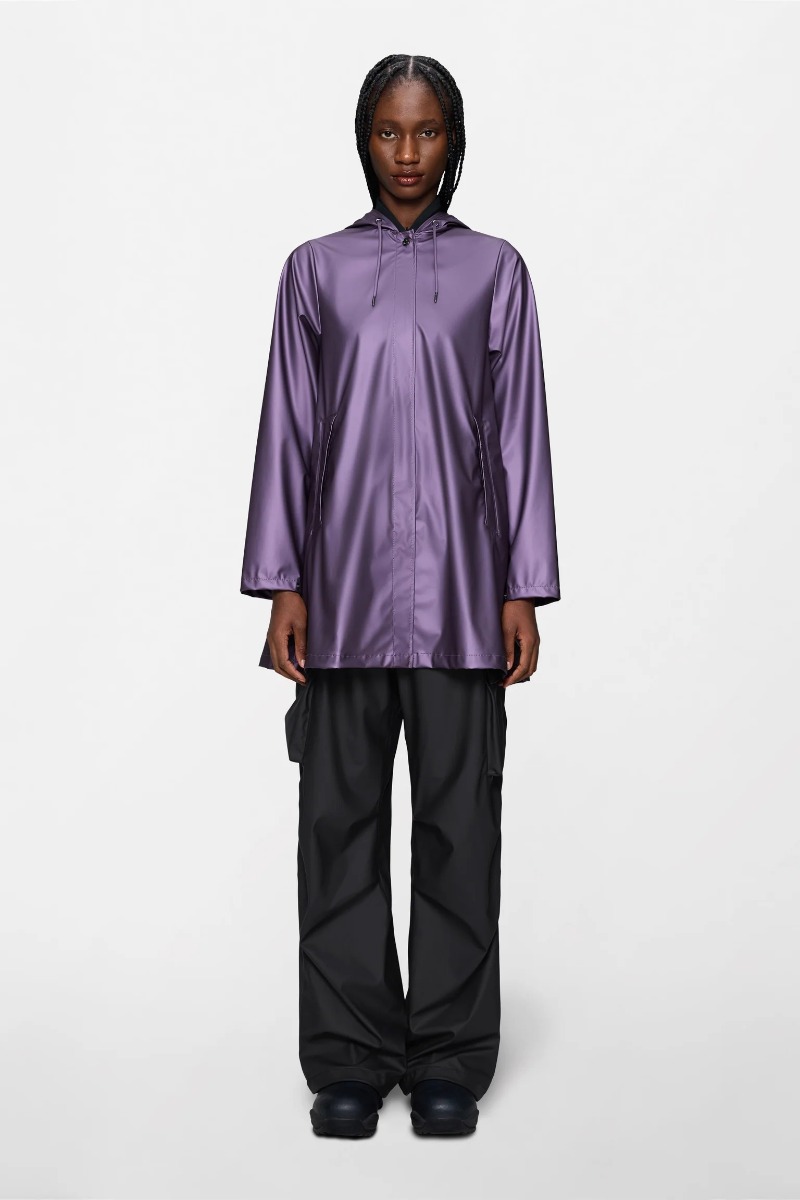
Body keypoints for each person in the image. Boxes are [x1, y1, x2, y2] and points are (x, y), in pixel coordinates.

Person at [240, 54, 560, 1138]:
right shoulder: (315, 271)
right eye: (388, 131)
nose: (408, 153)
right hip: (339, 600)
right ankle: (347, 1054)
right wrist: (282, 582)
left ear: (451, 139)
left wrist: (522, 589)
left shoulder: (496, 271)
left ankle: (449, 1057)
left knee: (460, 827)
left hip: (464, 601)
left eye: (425, 132)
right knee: (336, 827)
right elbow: (288, 429)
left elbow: (518, 434)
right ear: (364, 139)